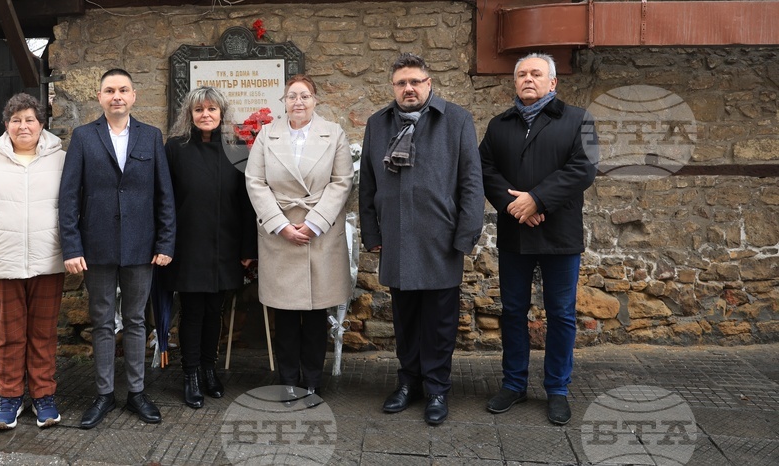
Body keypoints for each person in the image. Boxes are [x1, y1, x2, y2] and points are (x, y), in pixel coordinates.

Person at [358, 52, 484, 426]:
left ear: (429, 83)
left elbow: (471, 183)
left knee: (439, 324)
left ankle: (437, 389)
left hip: (439, 240)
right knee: (406, 321)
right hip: (397, 239)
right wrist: (372, 233)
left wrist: (465, 236)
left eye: (415, 81)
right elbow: (367, 184)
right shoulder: (378, 124)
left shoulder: (456, 120)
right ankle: (408, 383)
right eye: (402, 83)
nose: (409, 88)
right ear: (393, 87)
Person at [479, 52, 597, 426]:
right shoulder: (499, 125)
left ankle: (557, 389)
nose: (528, 79)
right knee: (513, 311)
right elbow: (484, 169)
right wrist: (516, 206)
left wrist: (538, 199)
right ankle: (513, 384)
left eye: (536, 74)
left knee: (560, 314)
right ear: (515, 82)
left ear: (552, 82)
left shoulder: (578, 119)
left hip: (560, 234)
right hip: (516, 233)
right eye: (522, 74)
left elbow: (583, 168)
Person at [58, 68, 176, 428]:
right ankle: (104, 394)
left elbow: (164, 195)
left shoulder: (151, 137)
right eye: (110, 90)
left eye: (123, 89)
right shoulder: (83, 137)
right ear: (100, 97)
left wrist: (165, 241)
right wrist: (71, 247)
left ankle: (137, 393)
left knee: (137, 320)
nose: (117, 96)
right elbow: (69, 196)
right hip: (96, 246)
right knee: (103, 320)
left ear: (133, 96)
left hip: (141, 246)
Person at [0, 94, 66, 430]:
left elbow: (73, 205)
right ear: (6, 125)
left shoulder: (62, 160)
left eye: (30, 119)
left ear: (41, 124)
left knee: (43, 334)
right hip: (2, 262)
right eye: (16, 120)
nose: (23, 126)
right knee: (10, 335)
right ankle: (9, 397)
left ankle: (44, 396)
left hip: (48, 260)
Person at [245, 74, 353, 397]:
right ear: (284, 101)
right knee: (285, 314)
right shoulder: (267, 135)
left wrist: (314, 222)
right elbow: (255, 181)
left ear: (315, 100)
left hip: (320, 234)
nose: (298, 102)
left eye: (305, 96)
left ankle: (313, 380)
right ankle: (288, 380)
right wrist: (280, 225)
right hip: (280, 234)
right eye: (292, 96)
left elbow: (342, 181)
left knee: (317, 313)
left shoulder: (334, 133)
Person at [163, 86, 257, 409]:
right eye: (199, 110)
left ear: (221, 113)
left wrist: (247, 248)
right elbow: (164, 199)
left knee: (215, 311)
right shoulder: (175, 148)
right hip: (187, 245)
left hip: (225, 245)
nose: (206, 115)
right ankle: (190, 374)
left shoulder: (237, 149)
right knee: (192, 312)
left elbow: (246, 203)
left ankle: (208, 369)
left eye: (212, 109)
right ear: (189, 115)